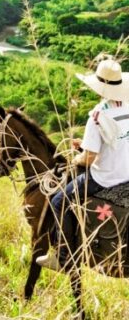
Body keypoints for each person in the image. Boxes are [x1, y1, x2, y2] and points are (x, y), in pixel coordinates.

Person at [37, 55, 129, 271]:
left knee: (58, 201)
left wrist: (77, 156)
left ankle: (63, 257)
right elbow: (116, 143)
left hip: (105, 178)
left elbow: (89, 159)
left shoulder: (97, 116)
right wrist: (85, 146)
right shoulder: (127, 107)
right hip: (127, 173)